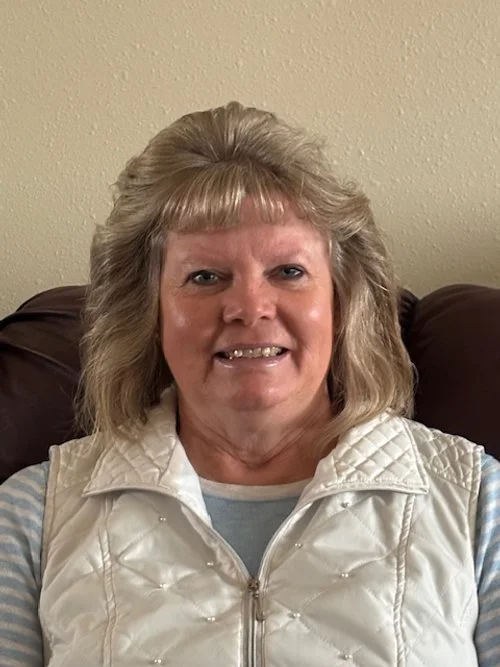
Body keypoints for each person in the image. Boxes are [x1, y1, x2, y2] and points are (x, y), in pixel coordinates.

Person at [1, 102, 500, 667]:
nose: (249, 306)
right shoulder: (33, 516)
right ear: (150, 311)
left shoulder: (476, 501)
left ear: (342, 301)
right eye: (204, 276)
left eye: (288, 271)